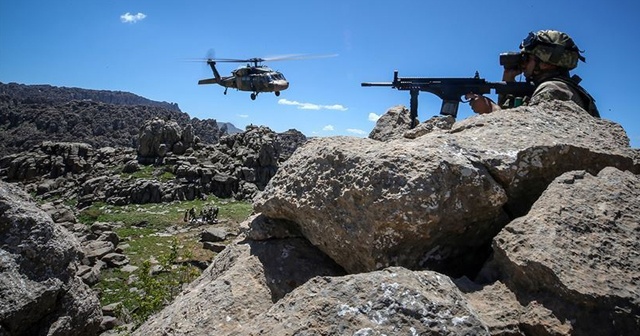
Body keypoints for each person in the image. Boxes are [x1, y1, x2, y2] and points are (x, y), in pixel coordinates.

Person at [466, 30, 600, 117]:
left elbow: (528, 132)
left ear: (546, 63)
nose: (523, 64)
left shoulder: (554, 89)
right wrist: (508, 80)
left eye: (527, 59)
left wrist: (491, 109)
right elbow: (513, 114)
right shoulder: (550, 87)